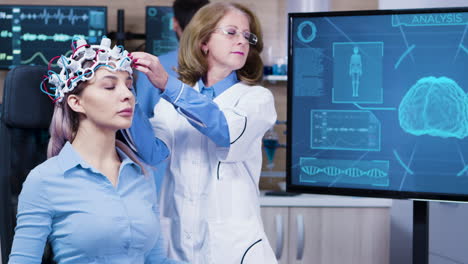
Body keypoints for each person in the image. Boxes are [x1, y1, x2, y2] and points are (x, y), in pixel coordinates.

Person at [8, 37, 183, 264]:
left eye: (129, 86)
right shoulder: (44, 180)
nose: (128, 95)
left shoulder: (141, 173)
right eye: (110, 86)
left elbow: (156, 260)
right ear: (76, 103)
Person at [130, 2, 278, 263]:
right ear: (203, 41)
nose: (242, 41)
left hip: (233, 249)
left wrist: (168, 86)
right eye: (231, 32)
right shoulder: (171, 102)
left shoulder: (256, 99)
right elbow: (153, 153)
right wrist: (126, 93)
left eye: (247, 35)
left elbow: (224, 130)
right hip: (177, 245)